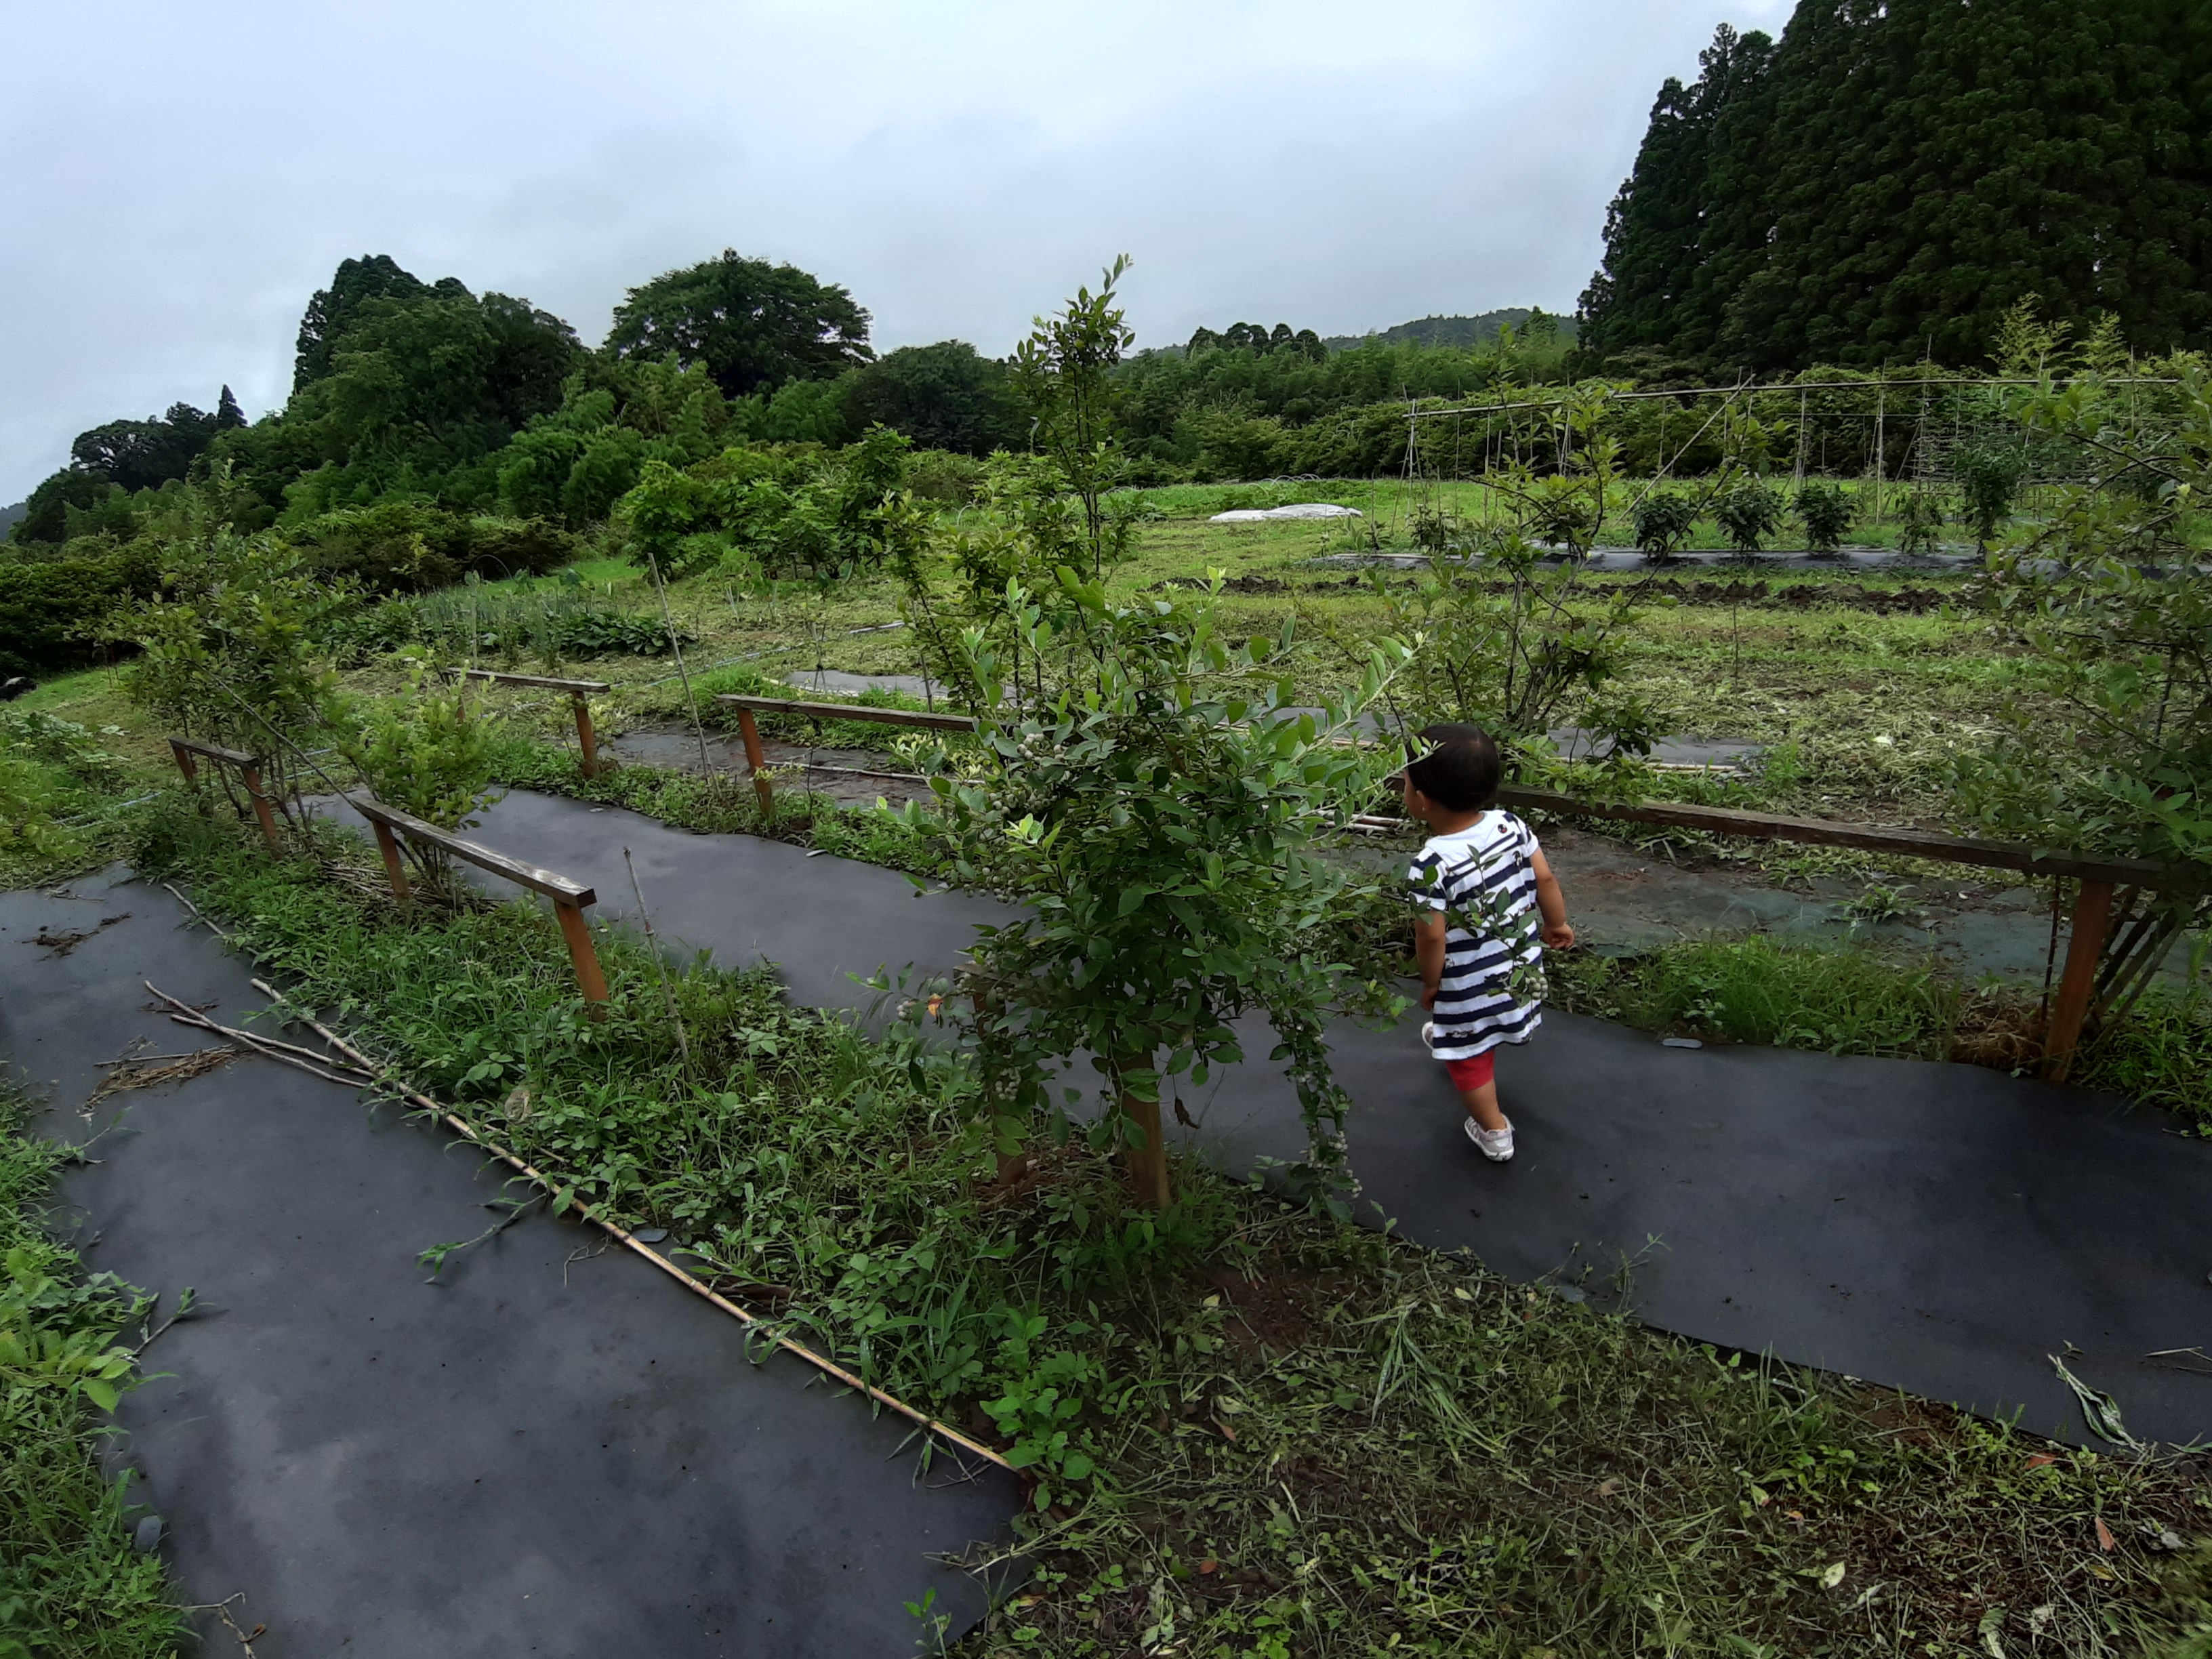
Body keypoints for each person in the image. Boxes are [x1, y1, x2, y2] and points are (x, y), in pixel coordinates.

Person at [1399, 724, 1574, 1162]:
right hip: (1518, 968)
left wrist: (1431, 983)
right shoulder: (1511, 825)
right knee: (1485, 1023)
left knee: (1468, 1060)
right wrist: (1556, 923)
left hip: (1470, 984)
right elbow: (1545, 879)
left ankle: (1494, 1130)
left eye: (1405, 782)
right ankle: (1455, 1032)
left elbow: (1431, 935)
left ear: (1422, 799)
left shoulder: (1431, 865)